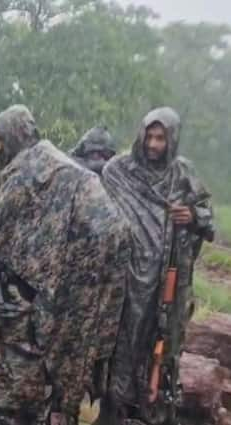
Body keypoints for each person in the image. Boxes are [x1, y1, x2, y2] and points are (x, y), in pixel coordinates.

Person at [0, 105, 129, 425]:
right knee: (38, 368)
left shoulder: (28, 168)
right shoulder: (54, 162)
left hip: (28, 291)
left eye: (1, 140)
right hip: (59, 288)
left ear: (17, 134)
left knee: (13, 371)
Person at [97, 107, 214, 425]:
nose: (152, 143)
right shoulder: (119, 171)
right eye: (148, 135)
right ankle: (111, 410)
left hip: (166, 283)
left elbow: (207, 216)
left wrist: (192, 216)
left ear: (172, 139)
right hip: (124, 281)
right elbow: (100, 215)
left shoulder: (182, 173)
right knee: (119, 345)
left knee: (160, 347)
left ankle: (152, 412)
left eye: (160, 137)